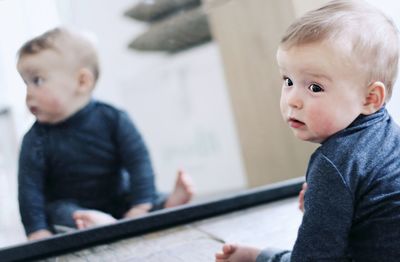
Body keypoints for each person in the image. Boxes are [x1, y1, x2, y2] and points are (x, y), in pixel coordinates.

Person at [215, 0, 400, 261]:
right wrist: (323, 206)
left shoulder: (334, 162)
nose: (292, 99)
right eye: (288, 81)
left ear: (370, 98)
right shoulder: (390, 136)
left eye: (314, 87)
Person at [16, 27, 194, 241]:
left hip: (119, 197)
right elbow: (29, 191)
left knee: (146, 195)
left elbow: (138, 162)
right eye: (25, 83)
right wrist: (37, 231)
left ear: (82, 81)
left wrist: (141, 204)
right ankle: (96, 222)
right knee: (59, 213)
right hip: (73, 207)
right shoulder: (35, 139)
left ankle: (166, 204)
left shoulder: (113, 119)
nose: (28, 93)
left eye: (37, 81)